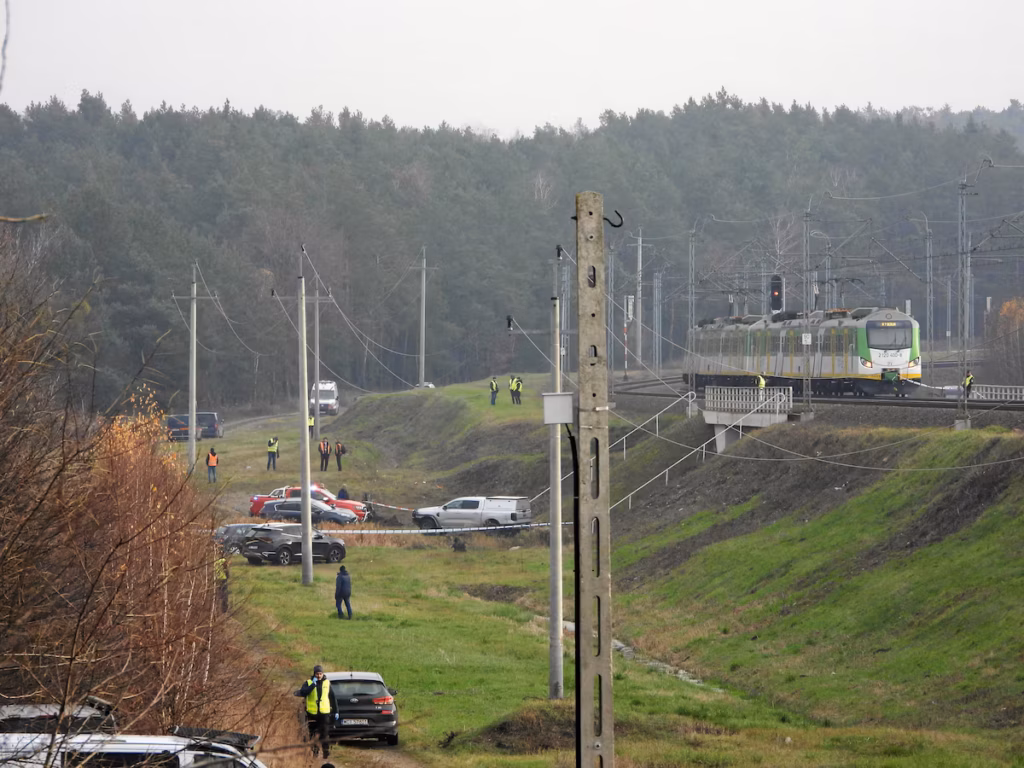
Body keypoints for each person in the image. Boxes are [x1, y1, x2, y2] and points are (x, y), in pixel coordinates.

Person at [295, 665, 337, 758]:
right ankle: (315, 752)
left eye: (320, 674)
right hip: (312, 713)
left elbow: (332, 698)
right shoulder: (308, 683)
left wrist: (336, 711)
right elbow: (303, 692)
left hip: (324, 713)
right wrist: (312, 685)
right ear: (314, 674)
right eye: (317, 674)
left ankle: (326, 752)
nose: (319, 675)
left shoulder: (327, 683)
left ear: (323, 674)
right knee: (313, 734)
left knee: (324, 733)